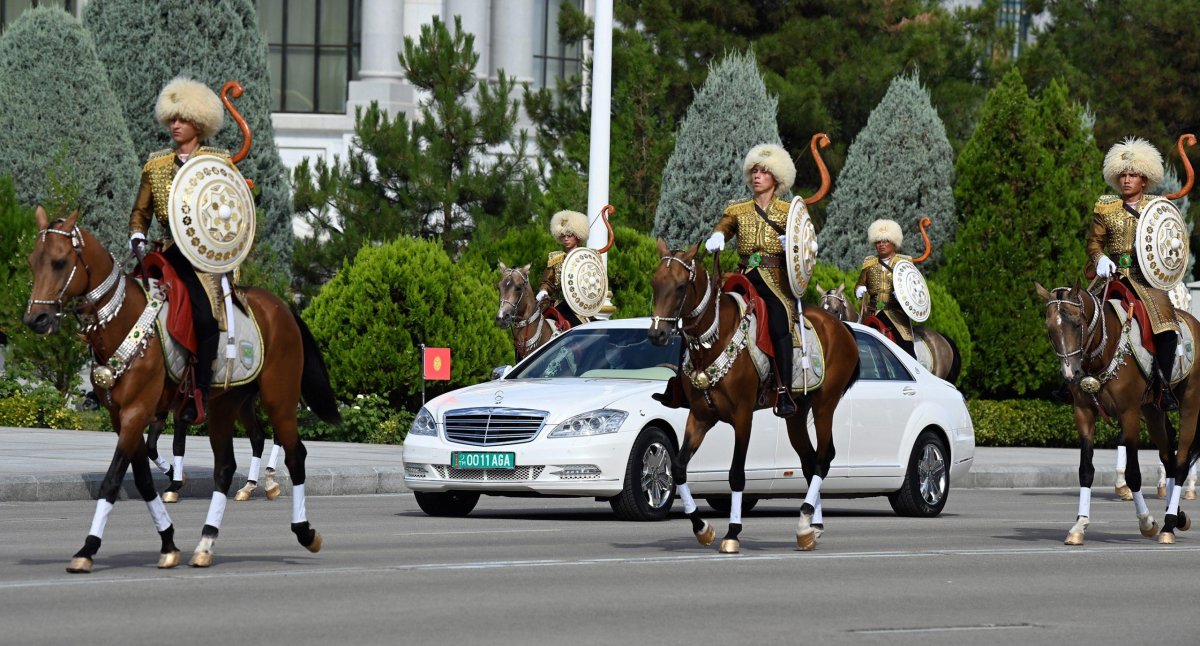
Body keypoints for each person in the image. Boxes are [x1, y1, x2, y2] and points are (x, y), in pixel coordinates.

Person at [129, 76, 233, 426]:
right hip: (167, 252)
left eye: (182, 118)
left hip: (205, 259)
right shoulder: (155, 166)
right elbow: (140, 213)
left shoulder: (219, 163)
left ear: (199, 124)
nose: (175, 125)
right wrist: (137, 236)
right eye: (171, 118)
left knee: (205, 318)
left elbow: (231, 213)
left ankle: (199, 389)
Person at [707, 143, 800, 417]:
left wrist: (793, 243)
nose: (757, 176)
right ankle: (682, 383)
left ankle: (784, 390)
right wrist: (718, 236)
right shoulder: (737, 209)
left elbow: (806, 243)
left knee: (780, 322)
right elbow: (724, 226)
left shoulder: (789, 211)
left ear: (776, 178)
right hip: (743, 276)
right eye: (755, 171)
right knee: (702, 313)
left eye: (764, 172)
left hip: (775, 279)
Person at [1088, 137, 1178, 410]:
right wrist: (1099, 257)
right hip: (1111, 277)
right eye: (1123, 175)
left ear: (1144, 180)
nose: (1127, 180)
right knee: (1078, 316)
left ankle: (1162, 386)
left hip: (1146, 280)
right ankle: (1072, 382)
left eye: (1134, 175)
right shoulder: (1106, 206)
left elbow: (1170, 243)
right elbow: (1094, 241)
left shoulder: (1157, 208)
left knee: (1167, 327)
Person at [854, 219, 917, 358]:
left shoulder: (904, 263)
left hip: (895, 312)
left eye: (886, 241)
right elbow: (859, 284)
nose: (881, 245)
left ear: (894, 242)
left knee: (906, 348)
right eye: (878, 241)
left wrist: (903, 293)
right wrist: (859, 289)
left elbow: (915, 289)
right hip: (872, 312)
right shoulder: (869, 263)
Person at [537, 210, 591, 328]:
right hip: (560, 305)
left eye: (569, 235)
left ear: (578, 235)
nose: (566, 239)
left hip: (582, 307)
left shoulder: (588, 258)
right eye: (563, 235)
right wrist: (543, 291)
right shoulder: (555, 258)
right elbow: (548, 281)